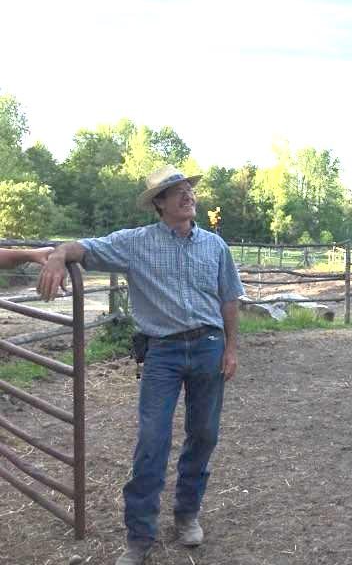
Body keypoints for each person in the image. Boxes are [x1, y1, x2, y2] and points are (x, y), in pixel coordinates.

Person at [37, 165, 245, 565]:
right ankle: (140, 535)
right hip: (162, 352)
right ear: (159, 203)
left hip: (209, 346)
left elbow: (229, 299)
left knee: (203, 435)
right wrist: (60, 255)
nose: (187, 195)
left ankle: (186, 514)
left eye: (188, 189)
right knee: (152, 441)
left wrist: (231, 349)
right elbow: (85, 248)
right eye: (176, 191)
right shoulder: (135, 244)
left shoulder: (215, 247)